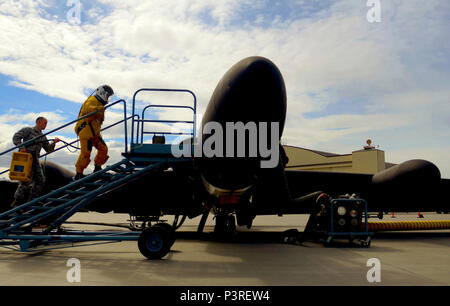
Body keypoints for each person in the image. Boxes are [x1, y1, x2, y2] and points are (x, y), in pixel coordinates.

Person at [11, 117, 60, 207]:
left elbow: (48, 149)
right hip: (26, 158)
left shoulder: (43, 136)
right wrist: (21, 147)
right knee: (25, 181)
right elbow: (16, 137)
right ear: (38, 122)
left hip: (35, 159)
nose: (45, 125)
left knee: (40, 179)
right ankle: (17, 202)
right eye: (44, 123)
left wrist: (54, 143)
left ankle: (33, 199)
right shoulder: (28, 130)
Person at [74, 84, 114, 180]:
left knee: (103, 148)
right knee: (86, 153)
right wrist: (99, 109)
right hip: (85, 131)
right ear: (102, 93)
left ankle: (97, 168)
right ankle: (78, 174)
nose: (108, 98)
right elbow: (87, 109)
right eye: (107, 95)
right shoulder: (92, 100)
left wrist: (100, 108)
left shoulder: (100, 104)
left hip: (94, 133)